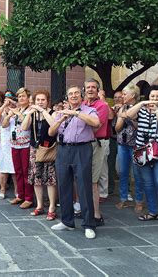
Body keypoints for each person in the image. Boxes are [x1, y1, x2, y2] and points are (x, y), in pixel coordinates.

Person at [49, 85, 100, 239]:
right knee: (63, 185)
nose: (73, 96)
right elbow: (51, 132)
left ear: (81, 95)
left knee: (84, 186)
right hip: (63, 149)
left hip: (82, 149)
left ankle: (89, 224)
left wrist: (75, 113)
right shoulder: (61, 112)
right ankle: (67, 221)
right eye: (70, 94)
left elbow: (95, 123)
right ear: (67, 97)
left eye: (76, 93)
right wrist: (61, 119)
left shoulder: (88, 110)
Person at [126, 85, 158, 228]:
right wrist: (141, 103)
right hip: (143, 152)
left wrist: (157, 111)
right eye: (152, 96)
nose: (154, 99)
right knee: (147, 184)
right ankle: (153, 212)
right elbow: (128, 115)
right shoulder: (141, 111)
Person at [26, 90, 57, 220]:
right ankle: (39, 205)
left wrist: (43, 111)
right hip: (35, 149)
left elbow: (54, 124)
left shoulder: (52, 112)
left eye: (42, 100)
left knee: (50, 179)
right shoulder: (33, 114)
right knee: (36, 178)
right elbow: (23, 127)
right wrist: (29, 114)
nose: (40, 102)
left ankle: (51, 207)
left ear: (47, 101)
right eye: (37, 100)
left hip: (49, 149)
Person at [83, 78, 109, 226]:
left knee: (93, 181)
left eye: (93, 87)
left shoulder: (102, 106)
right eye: (88, 87)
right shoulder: (82, 104)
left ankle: (96, 215)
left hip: (96, 143)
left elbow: (95, 127)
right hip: (83, 144)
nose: (90, 89)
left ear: (98, 90)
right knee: (82, 179)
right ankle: (86, 209)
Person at [2, 88, 33, 208]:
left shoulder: (30, 110)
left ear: (28, 98)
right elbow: (4, 125)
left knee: (26, 171)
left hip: (25, 144)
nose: (21, 98)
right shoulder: (15, 109)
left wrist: (19, 114)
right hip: (14, 144)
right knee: (18, 171)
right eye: (19, 96)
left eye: (23, 96)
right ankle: (20, 195)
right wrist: (9, 115)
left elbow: (26, 125)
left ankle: (28, 198)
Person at [115, 84, 143, 211]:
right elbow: (116, 128)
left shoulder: (141, 108)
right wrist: (121, 117)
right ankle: (123, 198)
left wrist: (129, 118)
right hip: (123, 144)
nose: (122, 96)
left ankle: (139, 200)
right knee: (123, 172)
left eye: (125, 93)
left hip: (136, 145)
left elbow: (140, 127)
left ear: (133, 95)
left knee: (137, 173)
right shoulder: (122, 108)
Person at [0, 92, 17, 199]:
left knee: (14, 168)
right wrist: (4, 106)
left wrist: (13, 104)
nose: (9, 103)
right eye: (6, 100)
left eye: (10, 101)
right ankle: (2, 189)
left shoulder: (17, 110)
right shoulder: (2, 111)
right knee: (3, 167)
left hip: (15, 143)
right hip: (4, 144)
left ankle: (17, 191)